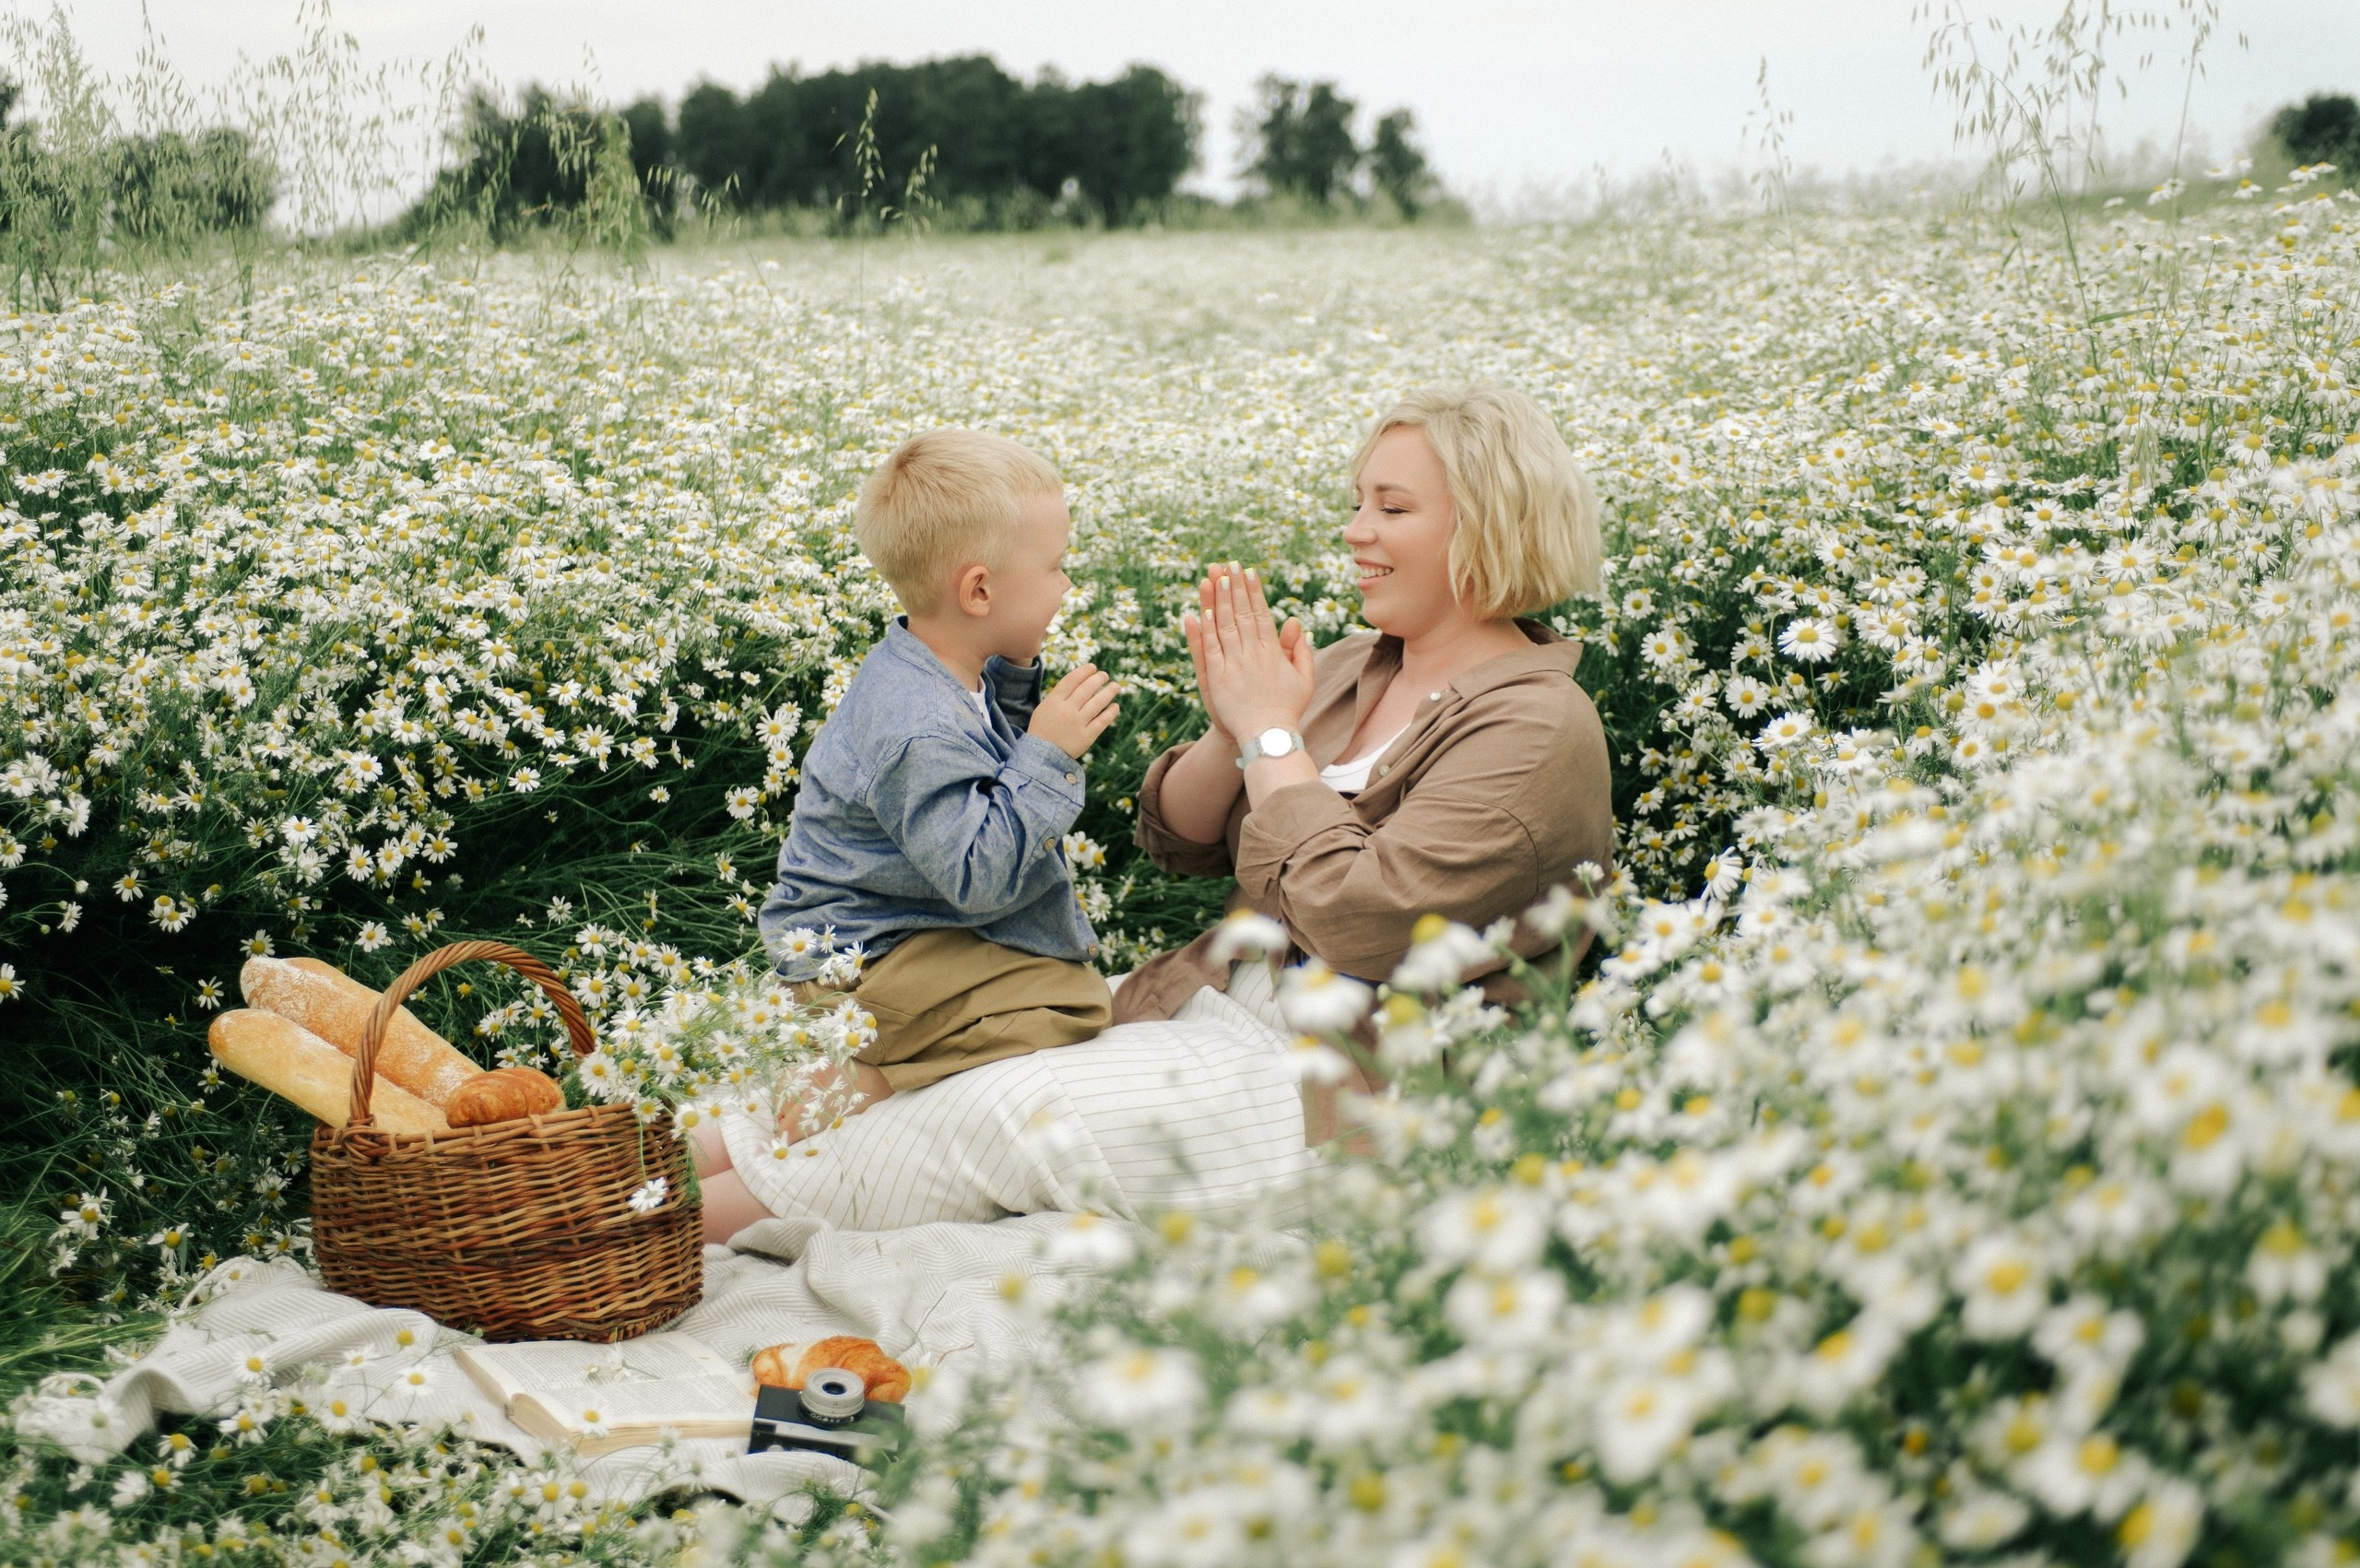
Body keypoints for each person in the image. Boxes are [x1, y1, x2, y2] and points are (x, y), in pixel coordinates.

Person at [1121, 383, 1615, 1138]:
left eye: (1391, 508)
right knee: (932, 1078)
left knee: (985, 1117)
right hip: (1212, 995)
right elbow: (1177, 845)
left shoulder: (1538, 724)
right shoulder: (1352, 664)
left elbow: (1361, 922)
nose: (1355, 532)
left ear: (1487, 528)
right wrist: (1235, 730)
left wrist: (1272, 736)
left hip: (1351, 1080)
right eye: (1358, 504)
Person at [693, 428, 1123, 1238]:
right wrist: (1049, 753)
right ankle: (853, 1076)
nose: (1067, 583)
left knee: (1057, 975)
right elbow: (977, 873)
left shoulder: (948, 667)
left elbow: (981, 771)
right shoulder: (918, 723)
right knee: (1069, 998)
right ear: (980, 591)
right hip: (863, 953)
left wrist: (1023, 683)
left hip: (887, 928)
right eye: (1058, 566)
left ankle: (854, 1063)